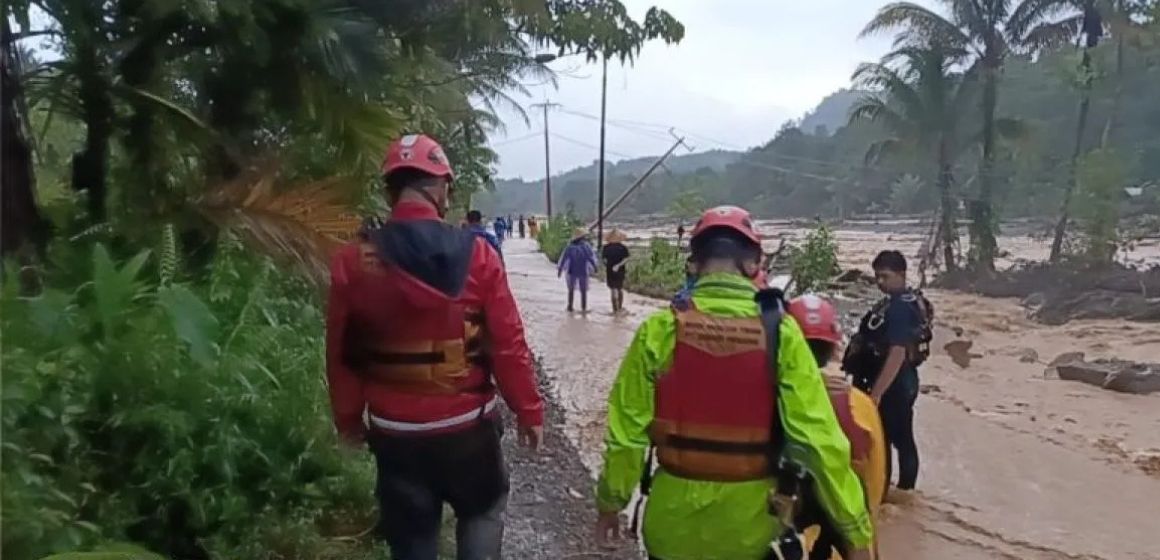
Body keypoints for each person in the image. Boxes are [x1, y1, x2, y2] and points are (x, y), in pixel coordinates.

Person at [594, 205, 874, 560]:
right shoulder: (783, 334)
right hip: (750, 532)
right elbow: (818, 442)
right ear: (754, 264)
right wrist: (854, 531)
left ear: (693, 263)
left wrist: (610, 503)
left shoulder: (659, 331)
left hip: (670, 529)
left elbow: (626, 438)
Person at [326, 134, 544, 560]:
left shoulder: (353, 260)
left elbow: (342, 352)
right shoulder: (479, 254)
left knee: (412, 539)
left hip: (395, 434)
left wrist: (348, 419)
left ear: (391, 190)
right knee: (482, 511)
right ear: (441, 187)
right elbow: (508, 344)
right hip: (468, 428)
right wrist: (528, 409)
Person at [785, 294, 887, 560]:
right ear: (835, 349)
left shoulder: (772, 400)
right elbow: (873, 493)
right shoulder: (862, 407)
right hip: (847, 545)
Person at [841, 250, 933, 497]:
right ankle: (896, 494)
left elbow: (897, 352)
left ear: (901, 274)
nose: (880, 282)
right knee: (894, 438)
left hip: (894, 383)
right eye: (877, 277)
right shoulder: (898, 302)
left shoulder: (900, 309)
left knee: (890, 439)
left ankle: (893, 494)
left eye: (885, 276)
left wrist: (877, 394)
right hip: (897, 380)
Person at [557, 228, 597, 313]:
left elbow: (564, 259)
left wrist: (560, 270)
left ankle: (570, 306)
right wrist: (595, 267)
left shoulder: (570, 247)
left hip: (572, 270)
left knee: (571, 290)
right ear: (582, 237)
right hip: (583, 270)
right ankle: (583, 308)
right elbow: (590, 258)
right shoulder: (586, 246)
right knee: (583, 291)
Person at [602, 229, 631, 313]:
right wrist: (618, 265)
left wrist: (607, 265)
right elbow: (626, 258)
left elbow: (604, 260)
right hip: (620, 270)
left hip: (609, 270)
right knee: (619, 288)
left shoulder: (606, 248)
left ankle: (614, 309)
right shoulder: (623, 247)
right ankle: (620, 307)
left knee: (613, 289)